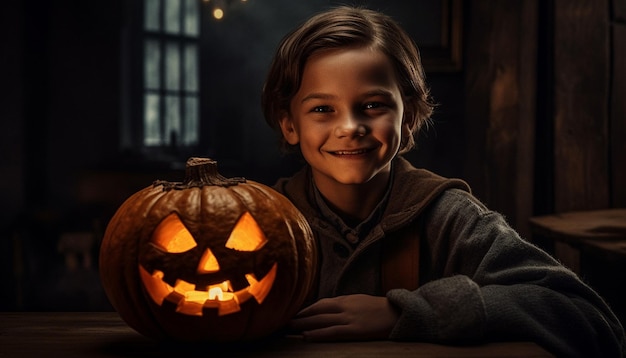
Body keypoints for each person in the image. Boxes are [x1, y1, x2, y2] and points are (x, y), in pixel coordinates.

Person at [260, 5, 625, 357]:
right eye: (323, 109)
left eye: (373, 105)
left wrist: (406, 312)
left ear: (408, 119)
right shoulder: (260, 224)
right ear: (290, 124)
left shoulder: (448, 217)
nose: (350, 127)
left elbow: (590, 320)